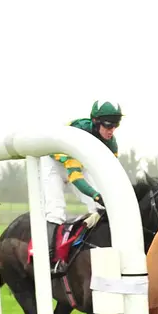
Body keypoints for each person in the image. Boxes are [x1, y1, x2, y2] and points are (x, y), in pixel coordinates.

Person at [40, 101, 122, 273]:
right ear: (95, 121)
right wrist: (96, 194)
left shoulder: (111, 143)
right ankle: (49, 261)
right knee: (56, 210)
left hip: (78, 163)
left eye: (115, 125)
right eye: (108, 125)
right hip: (54, 164)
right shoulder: (78, 134)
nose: (111, 130)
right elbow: (75, 177)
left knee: (99, 207)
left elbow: (110, 174)